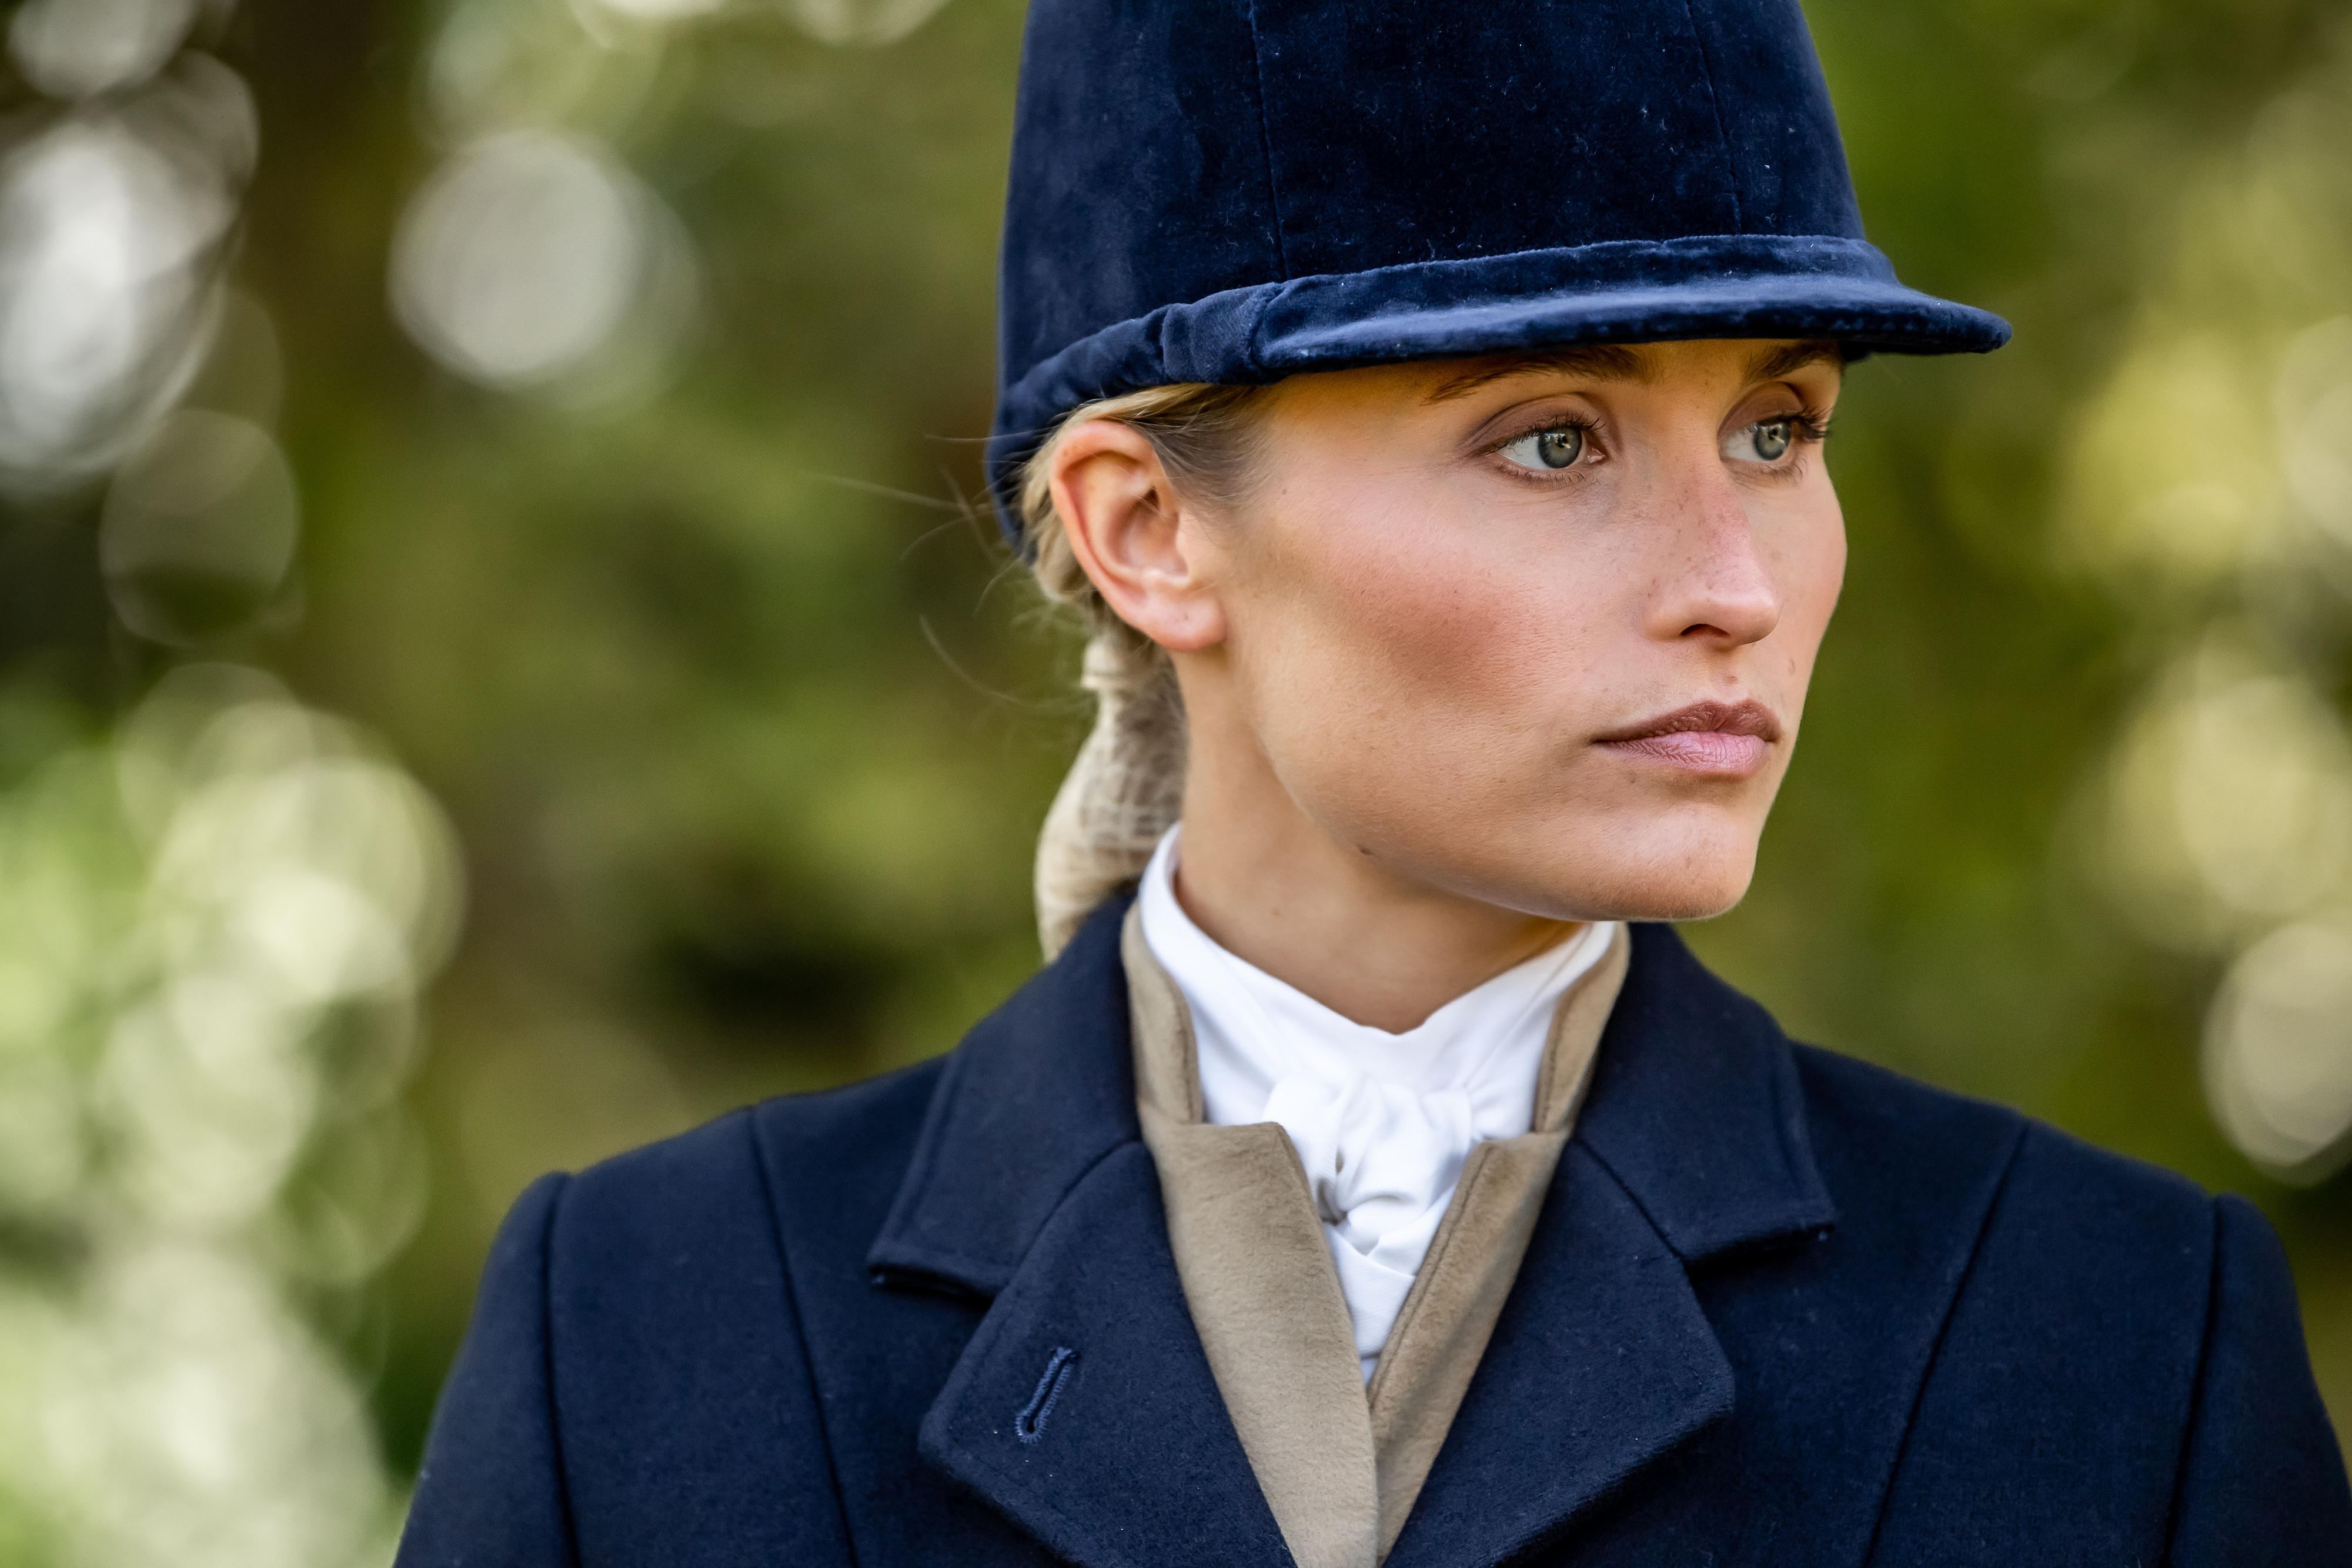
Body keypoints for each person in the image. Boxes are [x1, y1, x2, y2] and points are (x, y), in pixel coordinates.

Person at [395, 2, 2352, 1564]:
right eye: (1554, 442)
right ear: (1149, 526)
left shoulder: (2117, 1343)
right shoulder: (644, 1335)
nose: (1737, 588)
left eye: (1778, 424)